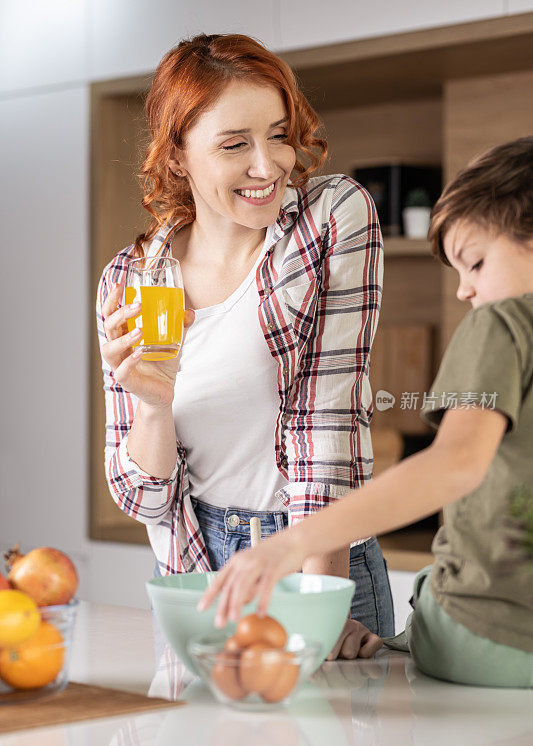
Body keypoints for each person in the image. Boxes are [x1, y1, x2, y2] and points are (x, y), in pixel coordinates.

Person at [96, 33, 394, 660]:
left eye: (279, 135)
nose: (270, 165)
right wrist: (152, 406)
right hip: (200, 570)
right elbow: (143, 499)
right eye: (235, 144)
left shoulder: (331, 217)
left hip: (317, 557)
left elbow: (326, 415)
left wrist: (321, 595)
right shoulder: (133, 278)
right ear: (177, 155)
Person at [199, 136, 533, 688]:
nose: (464, 291)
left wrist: (291, 543)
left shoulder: (503, 324)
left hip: (485, 639)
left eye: (474, 262)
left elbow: (453, 465)